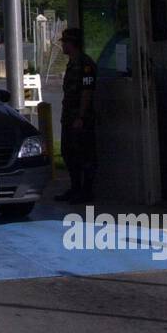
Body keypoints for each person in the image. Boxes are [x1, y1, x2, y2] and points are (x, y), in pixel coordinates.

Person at [56, 27, 98, 204]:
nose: (63, 46)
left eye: (65, 42)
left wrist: (80, 116)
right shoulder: (72, 63)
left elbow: (87, 92)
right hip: (69, 117)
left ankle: (86, 191)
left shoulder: (85, 64)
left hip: (80, 118)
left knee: (83, 154)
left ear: (72, 43)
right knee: (68, 152)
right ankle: (75, 188)